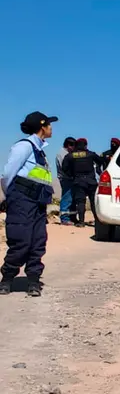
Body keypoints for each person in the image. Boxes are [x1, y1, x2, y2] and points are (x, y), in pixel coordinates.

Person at [1, 111, 59, 297]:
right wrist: (7, 197)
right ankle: (7, 279)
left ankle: (33, 280)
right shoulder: (24, 146)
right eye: (49, 124)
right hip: (21, 200)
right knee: (21, 240)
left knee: (37, 241)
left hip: (37, 202)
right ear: (42, 126)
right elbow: (8, 173)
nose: (51, 127)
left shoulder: (40, 150)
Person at [63, 138, 102, 227]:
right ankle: (98, 222)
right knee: (93, 202)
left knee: (80, 202)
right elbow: (100, 160)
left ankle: (81, 222)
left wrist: (72, 175)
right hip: (91, 182)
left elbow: (64, 168)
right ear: (85, 145)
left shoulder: (70, 156)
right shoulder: (90, 154)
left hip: (78, 181)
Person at [55, 137, 77, 225]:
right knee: (67, 197)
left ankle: (72, 217)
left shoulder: (67, 153)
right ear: (69, 145)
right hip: (66, 179)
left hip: (70, 179)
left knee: (72, 199)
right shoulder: (62, 154)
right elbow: (65, 168)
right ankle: (64, 218)